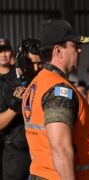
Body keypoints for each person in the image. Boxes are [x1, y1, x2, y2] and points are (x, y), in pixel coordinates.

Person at [21, 19, 89, 180]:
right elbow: (60, 148)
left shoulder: (37, 84)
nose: (80, 51)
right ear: (59, 51)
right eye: (75, 46)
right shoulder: (58, 91)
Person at [0, 39, 31, 180]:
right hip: (11, 151)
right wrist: (15, 106)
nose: (3, 54)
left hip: (31, 147)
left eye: (5, 50)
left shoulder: (23, 75)